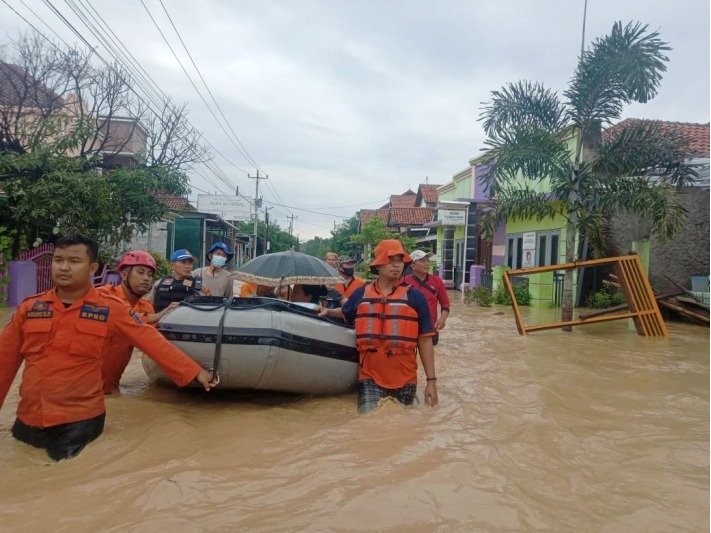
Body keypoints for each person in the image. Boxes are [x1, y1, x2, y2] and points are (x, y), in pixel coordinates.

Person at [0, 235, 215, 461]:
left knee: (57, 476)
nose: (63, 267)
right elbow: (4, 363)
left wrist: (194, 372)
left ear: (92, 268)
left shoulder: (111, 309)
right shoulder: (30, 308)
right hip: (29, 416)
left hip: (79, 419)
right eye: (58, 260)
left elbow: (150, 340)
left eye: (74, 261)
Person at [318, 239, 438, 413]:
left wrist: (431, 382)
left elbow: (425, 341)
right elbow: (346, 312)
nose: (397, 265)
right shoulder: (361, 294)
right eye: (391, 260)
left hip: (406, 380)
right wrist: (327, 312)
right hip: (370, 379)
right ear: (378, 265)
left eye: (399, 260)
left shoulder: (415, 297)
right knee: (369, 428)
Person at [97, 250, 179, 394]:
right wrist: (160, 314)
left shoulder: (146, 307)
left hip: (111, 389)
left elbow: (152, 343)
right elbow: (124, 316)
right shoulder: (103, 295)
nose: (146, 278)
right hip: (82, 390)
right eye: (140, 272)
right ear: (123, 274)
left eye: (150, 275)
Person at [403, 250, 450, 346]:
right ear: (413, 266)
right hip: (409, 329)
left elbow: (445, 303)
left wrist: (442, 319)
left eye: (427, 261)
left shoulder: (437, 281)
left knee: (430, 358)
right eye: (422, 261)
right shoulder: (403, 282)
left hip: (430, 329)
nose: (427, 264)